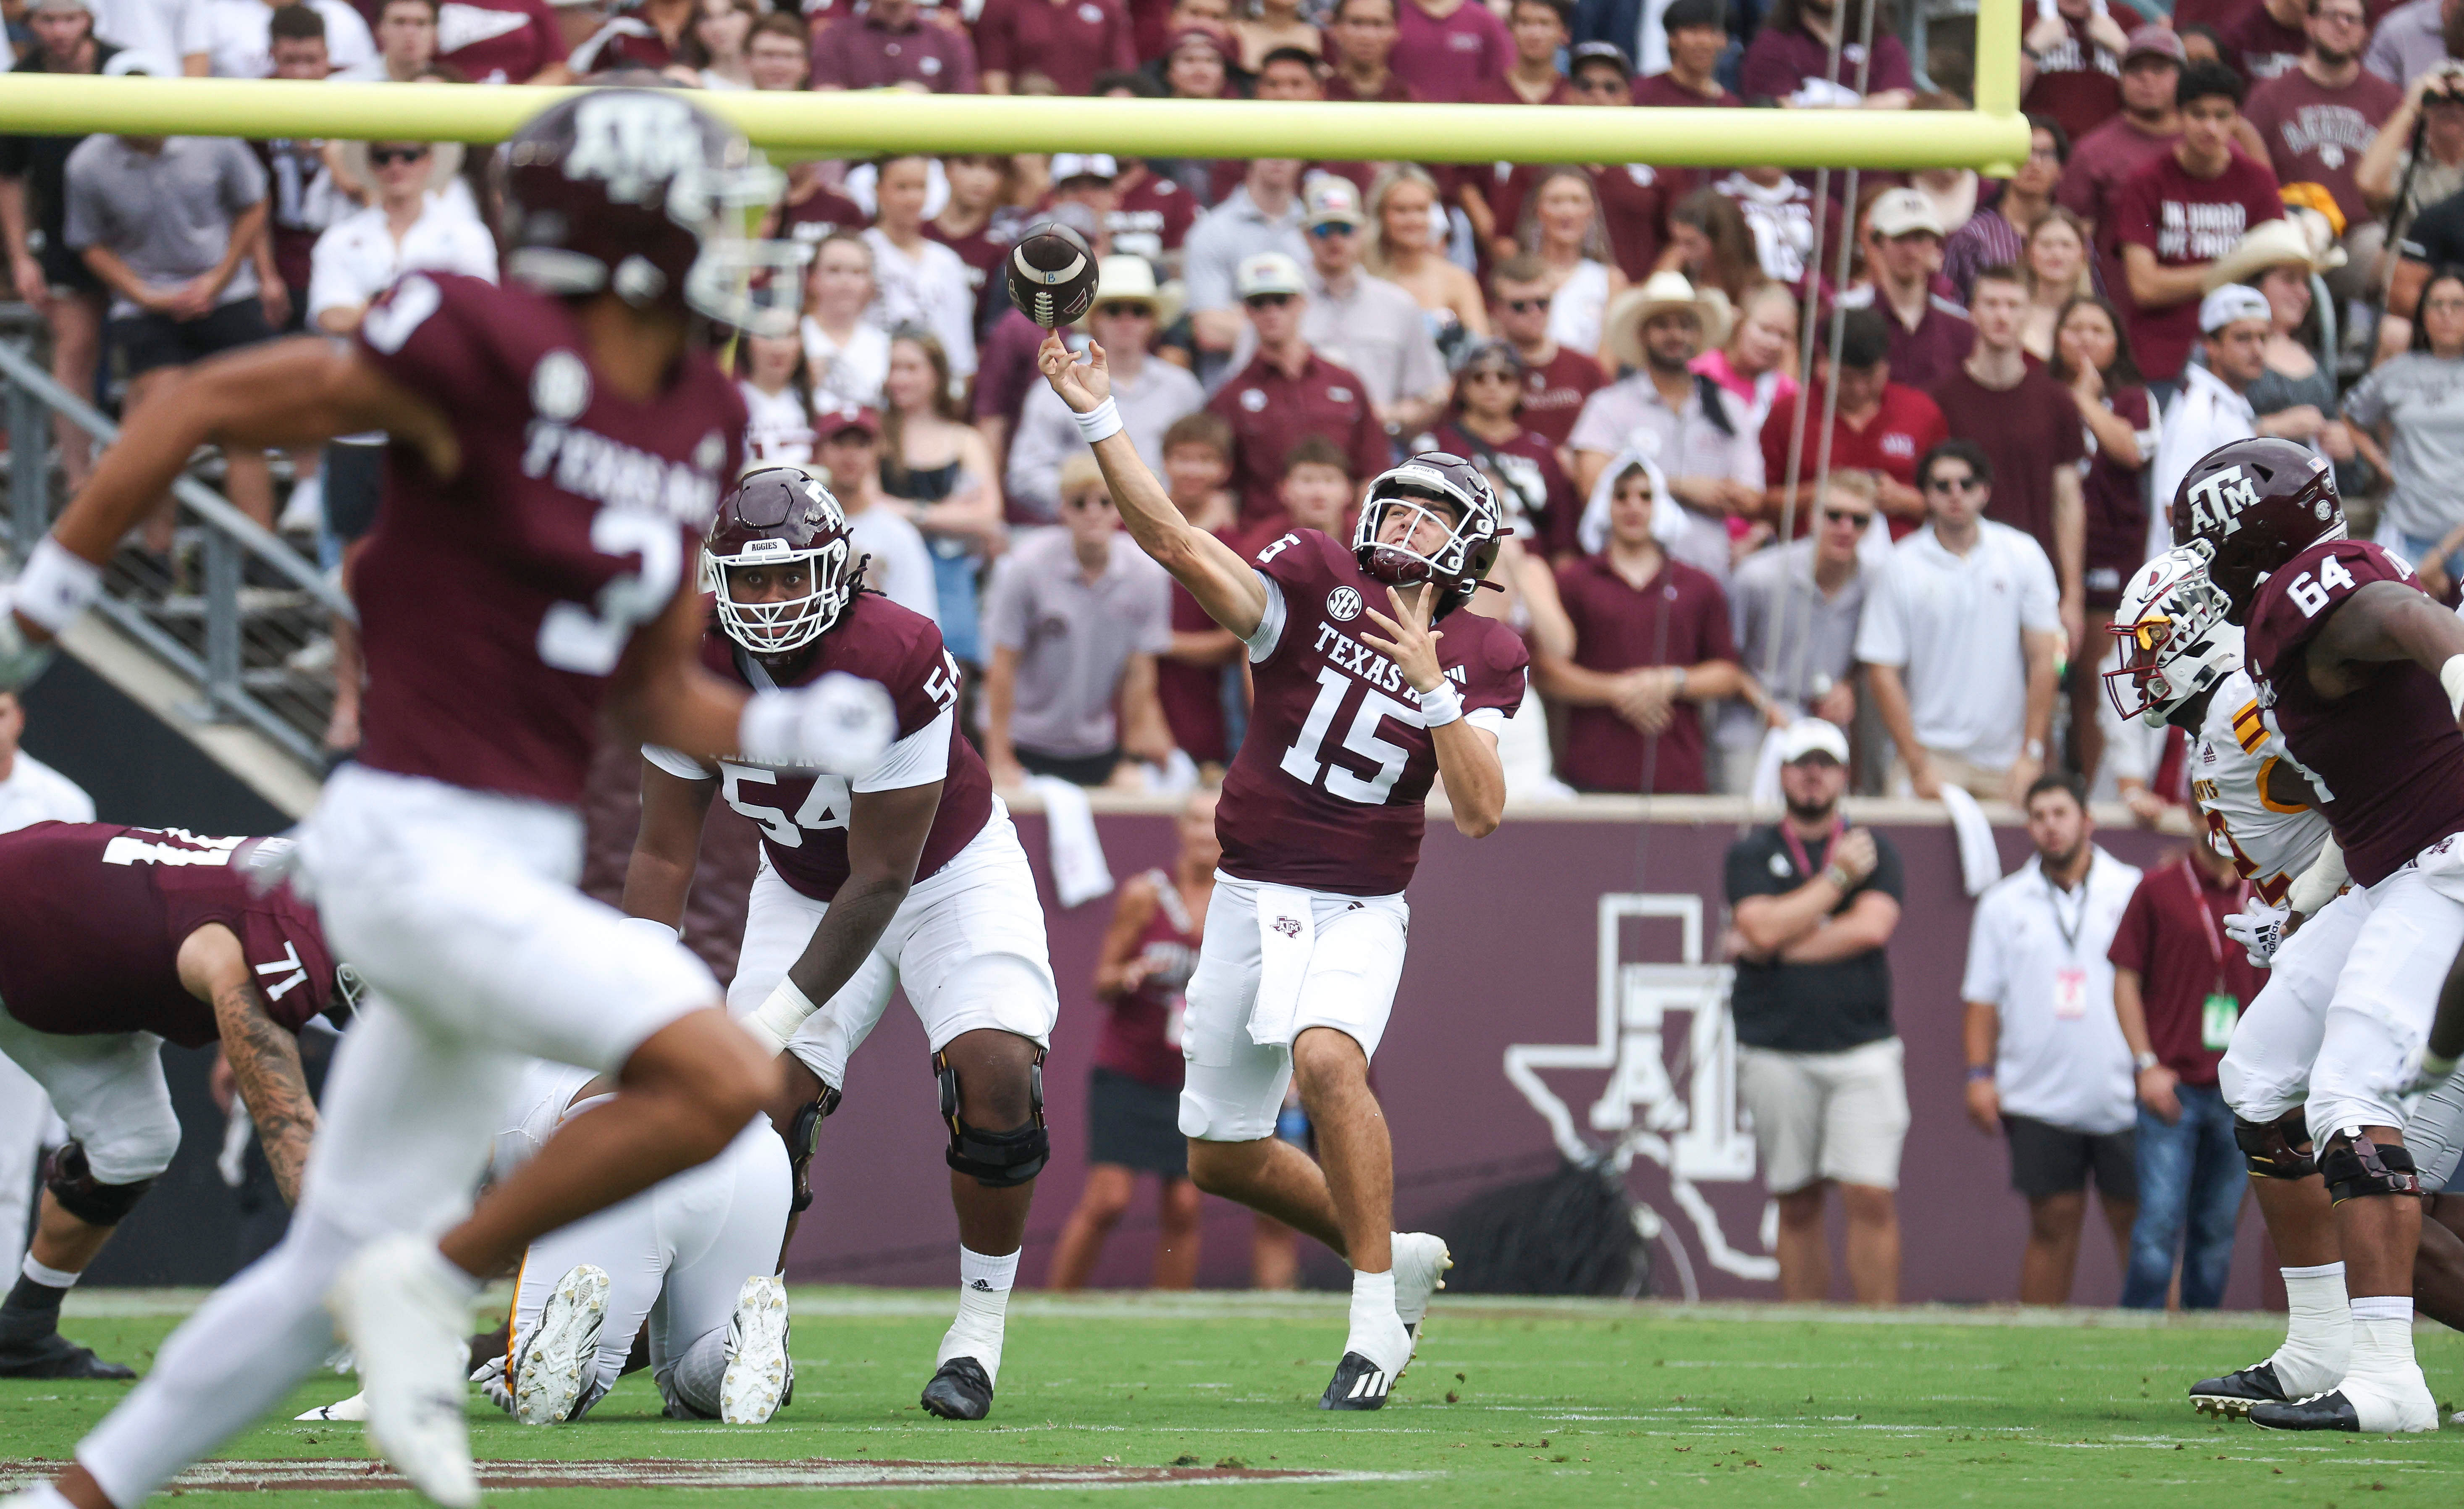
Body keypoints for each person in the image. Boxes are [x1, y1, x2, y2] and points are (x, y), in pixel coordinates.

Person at [0, 91, 902, 1509]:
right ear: (616, 222)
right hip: (409, 845)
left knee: (314, 1282)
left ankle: (68, 1499)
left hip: (510, 865)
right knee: (727, 1073)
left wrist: (789, 718)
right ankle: (436, 1282)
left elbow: (658, 693)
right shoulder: (476, 338)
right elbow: (195, 401)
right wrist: (39, 609)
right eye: (699, 204)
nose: (729, 236)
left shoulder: (700, 406)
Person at [1038, 328, 1520, 1407]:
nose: (1401, 523)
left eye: (1429, 517)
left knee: (1325, 1060)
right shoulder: (1311, 576)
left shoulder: (1488, 651)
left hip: (1358, 904)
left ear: (1469, 551)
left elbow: (1482, 813)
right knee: (1218, 1154)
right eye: (1395, 505)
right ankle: (1389, 1247)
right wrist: (1096, 415)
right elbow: (1171, 541)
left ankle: (1371, 1323)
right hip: (1251, 896)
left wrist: (1435, 687)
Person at [619, 463, 1052, 1423]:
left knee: (996, 1072)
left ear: (841, 572)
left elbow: (885, 879)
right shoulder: (684, 656)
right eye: (751, 581)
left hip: (946, 874)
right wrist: (636, 1007)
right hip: (807, 883)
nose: (770, 603)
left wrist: (766, 1020)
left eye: (790, 578)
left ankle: (975, 1335)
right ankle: (735, 1332)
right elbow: (660, 856)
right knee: (758, 1101)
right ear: (715, 581)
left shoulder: (897, 649)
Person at [2167, 433, 2464, 1431]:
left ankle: (2389, 1382)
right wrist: (2307, 898)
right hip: (2394, 867)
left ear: (2246, 535)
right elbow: (2361, 788)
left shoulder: (2314, 588)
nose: (2194, 565)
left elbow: (2406, 616)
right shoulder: (2280, 616)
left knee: (2351, 1090)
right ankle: (2324, 1347)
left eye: (2200, 540)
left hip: (2449, 861)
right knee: (2257, 1073)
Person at [0, 826, 346, 1381]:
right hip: (22, 917)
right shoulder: (258, 945)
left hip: (78, 971)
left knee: (134, 1142)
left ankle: (22, 1330)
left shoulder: (312, 888)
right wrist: (385, 1292)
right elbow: (293, 1140)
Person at [306, 136, 494, 756]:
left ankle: (430, 699)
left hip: (430, 427)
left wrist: (379, 313)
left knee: (443, 570)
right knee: (356, 571)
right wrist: (420, 315)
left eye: (409, 155)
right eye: (385, 155)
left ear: (427, 163)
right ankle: (349, 699)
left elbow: (478, 321)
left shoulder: (464, 233)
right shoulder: (344, 238)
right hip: (364, 430)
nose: (396, 166)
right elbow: (329, 316)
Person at [1725, 718, 1906, 1304]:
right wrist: (1835, 882)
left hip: (1861, 1048)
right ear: (1781, 773)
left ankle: (1877, 1331)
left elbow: (1869, 929)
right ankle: (1805, 1331)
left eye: (1823, 764)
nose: (1811, 775)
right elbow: (1756, 922)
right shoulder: (1751, 851)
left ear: (1842, 775)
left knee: (1869, 1194)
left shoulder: (1875, 849)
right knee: (1795, 1197)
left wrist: (1777, 940)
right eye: (1801, 762)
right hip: (1774, 1048)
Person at [1961, 774, 2143, 1307]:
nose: (2050, 826)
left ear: (2087, 820)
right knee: (2050, 1222)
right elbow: (1980, 998)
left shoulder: (2132, 888)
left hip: (2122, 1089)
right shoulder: (2002, 902)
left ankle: (2160, 1341)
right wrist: (1978, 1074)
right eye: (2038, 816)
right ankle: (2040, 1346)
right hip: (2037, 1091)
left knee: (2138, 1223)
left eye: (2060, 813)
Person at [63, 115, 279, 533]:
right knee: (154, 430)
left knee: (246, 431)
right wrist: (142, 293)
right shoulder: (87, 164)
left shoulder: (215, 137)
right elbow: (88, 242)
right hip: (148, 307)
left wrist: (219, 279)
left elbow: (253, 203)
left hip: (226, 295)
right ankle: (157, 562)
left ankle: (261, 556)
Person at [1046, 789, 1220, 1291]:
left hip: (1192, 1076)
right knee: (1109, 1198)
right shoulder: (1145, 893)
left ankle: (1170, 1319)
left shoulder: (1238, 901)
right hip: (1128, 1068)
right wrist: (1131, 973)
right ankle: (1053, 1307)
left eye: (1214, 822)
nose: (1203, 833)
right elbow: (1100, 978)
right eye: (1194, 820)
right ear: (1179, 828)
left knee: (1186, 1203)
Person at [2108, 829, 2264, 1312]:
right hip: (2172, 1087)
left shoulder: (2264, 892)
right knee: (2157, 1223)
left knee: (2216, 1230)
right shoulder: (2157, 888)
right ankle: (2135, 1337)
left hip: (2239, 1091)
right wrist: (2144, 1063)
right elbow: (2124, 979)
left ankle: (2200, 1337)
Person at [1858, 441, 2061, 803]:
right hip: (1930, 756)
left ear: (1984, 492)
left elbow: (2047, 656)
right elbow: (1881, 670)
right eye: (1942, 485)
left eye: (1966, 484)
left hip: (2008, 762)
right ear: (1925, 495)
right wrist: (1917, 764)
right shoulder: (1900, 565)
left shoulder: (2022, 553)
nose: (1955, 494)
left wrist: (2031, 753)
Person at [1536, 459, 1742, 794]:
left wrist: (1669, 681)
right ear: (1606, 504)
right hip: (1592, 772)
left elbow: (1727, 674)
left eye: (1646, 496)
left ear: (1661, 505)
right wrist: (1616, 690)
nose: (1633, 506)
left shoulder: (1698, 585)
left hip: (1678, 773)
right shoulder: (1573, 582)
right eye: (1621, 496)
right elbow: (1545, 671)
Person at [981, 456, 1178, 790]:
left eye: (1104, 501)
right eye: (1079, 502)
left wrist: (1131, 759)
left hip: (1097, 746)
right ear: (1062, 509)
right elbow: (1002, 666)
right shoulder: (1024, 566)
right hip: (1025, 742)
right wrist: (999, 757)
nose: (1093, 512)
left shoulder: (1147, 575)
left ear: (1119, 509)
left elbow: (1139, 675)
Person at [1930, 265, 2086, 654]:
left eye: (2013, 305)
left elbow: (2067, 501)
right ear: (1973, 312)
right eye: (1991, 304)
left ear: (2028, 314)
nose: (2002, 315)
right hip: (1958, 577)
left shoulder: (2056, 401)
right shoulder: (1941, 398)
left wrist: (2072, 596)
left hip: (2035, 580)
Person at [1567, 273, 1761, 582]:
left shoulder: (1730, 408)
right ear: (1642, 335)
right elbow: (1592, 486)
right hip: (1626, 580)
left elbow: (1750, 498)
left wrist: (1640, 484)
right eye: (1662, 325)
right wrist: (1683, 487)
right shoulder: (1608, 405)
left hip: (1708, 575)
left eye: (1685, 325)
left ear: (1698, 336)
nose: (1675, 335)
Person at [0, 0, 118, 496]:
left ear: (89, 19)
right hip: (66, 239)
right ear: (31, 24)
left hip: (136, 239)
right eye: (47, 20)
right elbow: (8, 178)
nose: (59, 32)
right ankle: (79, 482)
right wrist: (22, 258)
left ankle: (134, 473)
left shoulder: (124, 68)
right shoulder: (20, 79)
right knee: (73, 349)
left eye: (70, 18)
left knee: (150, 357)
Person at [2112, 60, 2286, 391]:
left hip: (2246, 352)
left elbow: (2274, 270)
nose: (2210, 128)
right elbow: (2144, 286)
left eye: (2221, 116)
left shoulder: (2257, 182)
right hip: (2162, 354)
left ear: (2237, 119)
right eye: (2198, 114)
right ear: (2178, 116)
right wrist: (2234, 267)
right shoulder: (2146, 183)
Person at [0, 691, 92, 1307]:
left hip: (21, 1007)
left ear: (20, 716)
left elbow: (81, 911)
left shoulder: (61, 801)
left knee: (6, 1171)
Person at [1008, 258, 1204, 520]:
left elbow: (1204, 462)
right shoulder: (1057, 387)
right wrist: (1091, 503)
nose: (1126, 320)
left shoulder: (1183, 388)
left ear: (1154, 321)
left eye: (1139, 311)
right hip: (1083, 534)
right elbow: (1025, 473)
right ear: (1093, 320)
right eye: (1113, 310)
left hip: (1171, 524)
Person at [1204, 251, 1391, 523]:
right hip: (1264, 544)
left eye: (1281, 300)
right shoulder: (1229, 398)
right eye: (1259, 302)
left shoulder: (1345, 383)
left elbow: (1371, 472)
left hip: (1343, 539)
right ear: (1246, 310)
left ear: (1302, 303)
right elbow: (1222, 490)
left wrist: (1365, 541)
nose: (1271, 311)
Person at [2050, 293, 2152, 786]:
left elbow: (2130, 450)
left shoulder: (2133, 397)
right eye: (2074, 329)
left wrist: (2084, 398)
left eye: (2098, 330)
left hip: (2111, 558)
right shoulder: (2040, 391)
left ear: (2117, 342)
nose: (2085, 339)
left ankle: (2086, 788)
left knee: (2094, 676)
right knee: (2050, 674)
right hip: (2044, 553)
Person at [1719, 473, 1871, 789]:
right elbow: (1724, 661)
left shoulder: (1873, 584)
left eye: (1858, 520)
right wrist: (1766, 706)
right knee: (1741, 823)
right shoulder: (1758, 577)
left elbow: (1868, 659)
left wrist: (1847, 686)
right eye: (1834, 516)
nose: (1845, 528)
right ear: (1812, 517)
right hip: (1753, 723)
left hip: (1825, 730)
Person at [2244, 0, 2400, 288]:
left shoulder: (2388, 100)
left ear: (2365, 32)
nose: (2342, 26)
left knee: (2391, 254)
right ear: (2309, 23)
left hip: (2361, 236)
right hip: (2294, 232)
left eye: (2352, 20)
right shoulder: (2269, 96)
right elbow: (2249, 176)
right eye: (2332, 16)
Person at [1284, 176, 1450, 438]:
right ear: (1306, 235)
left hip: (1377, 443)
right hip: (1299, 446)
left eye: (1345, 229)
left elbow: (1432, 395)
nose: (1335, 240)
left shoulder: (1397, 304)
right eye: (1323, 230)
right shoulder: (1280, 303)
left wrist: (1387, 416)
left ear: (1361, 232)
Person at [1758, 307, 1948, 535]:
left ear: (1886, 366)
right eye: (1846, 378)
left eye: (1869, 377)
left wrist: (1906, 501)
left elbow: (1958, 496)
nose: (1859, 389)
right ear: (1822, 363)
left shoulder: (1921, 412)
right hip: (1813, 554)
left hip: (1904, 555)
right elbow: (1761, 502)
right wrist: (1820, 494)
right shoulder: (1790, 415)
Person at [878, 328, 1004, 665]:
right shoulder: (876, 437)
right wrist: (950, 515)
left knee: (951, 676)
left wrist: (910, 511)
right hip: (885, 571)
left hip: (949, 575)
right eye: (893, 368)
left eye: (911, 368)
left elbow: (988, 517)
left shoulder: (964, 440)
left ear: (936, 373)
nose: (899, 378)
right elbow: (866, 506)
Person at [2342, 267, 2464, 596]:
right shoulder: (2398, 370)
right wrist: (2381, 463)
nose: (2446, 314)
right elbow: (2350, 415)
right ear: (2422, 313)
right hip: (2406, 527)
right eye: (2436, 304)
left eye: (2457, 304)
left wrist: (2440, 555)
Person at [2056, 26, 2183, 307]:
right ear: (2121, 77)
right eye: (2135, 70)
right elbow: (2072, 240)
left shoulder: (2206, 142)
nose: (2146, 78)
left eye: (2159, 69)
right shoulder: (2092, 151)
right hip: (2120, 310)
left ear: (2182, 77)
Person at [1420, 340, 1577, 558]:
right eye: (1479, 378)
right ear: (1462, 386)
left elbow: (1563, 540)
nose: (1492, 386)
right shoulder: (1435, 447)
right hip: (1455, 570)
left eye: (1504, 378)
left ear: (1521, 387)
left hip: (1531, 570)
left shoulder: (1542, 451)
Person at [2150, 285, 2272, 548]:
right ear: (2210, 346)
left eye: (2263, 338)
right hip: (2190, 582)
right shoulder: (2199, 410)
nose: (2258, 350)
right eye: (2243, 338)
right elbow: (2175, 509)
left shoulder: (2228, 403)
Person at [1839, 188, 1974, 391]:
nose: (1911, 251)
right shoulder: (1845, 315)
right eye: (1900, 238)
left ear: (1936, 245)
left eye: (1920, 238)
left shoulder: (1961, 326)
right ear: (1877, 243)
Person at [813, 406, 940, 621]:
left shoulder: (900, 535)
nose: (850, 455)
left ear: (877, 452)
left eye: (861, 444)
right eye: (839, 443)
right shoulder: (801, 530)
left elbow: (919, 623)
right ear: (818, 452)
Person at [1183, 156, 1309, 363]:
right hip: (1235, 383)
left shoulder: (1317, 229)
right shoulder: (1213, 231)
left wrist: (1246, 319)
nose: (1278, 156)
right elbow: (1209, 330)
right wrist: (1292, 329)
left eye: (1290, 145)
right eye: (1267, 144)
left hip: (1308, 384)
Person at [866, 158, 978, 385]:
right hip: (876, 383)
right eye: (902, 187)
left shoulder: (947, 262)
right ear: (879, 190)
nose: (912, 199)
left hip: (937, 392)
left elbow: (960, 346)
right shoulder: (862, 252)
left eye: (920, 187)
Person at [1490, 253, 1606, 451]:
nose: (1534, 312)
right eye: (1520, 306)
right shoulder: (1482, 373)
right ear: (1497, 310)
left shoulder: (1585, 367)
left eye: (1542, 303)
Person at [1943, 119, 2066, 303]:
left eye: (2046, 154)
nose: (2035, 163)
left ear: (2061, 170)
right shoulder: (1975, 237)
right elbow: (1951, 306)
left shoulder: (2070, 238)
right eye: (2024, 153)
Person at [1364, 166, 1488, 345]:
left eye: (1421, 209)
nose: (1413, 220)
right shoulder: (1364, 275)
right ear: (1381, 215)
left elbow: (1480, 350)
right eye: (1401, 210)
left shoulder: (1457, 280)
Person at [1515, 165, 1625, 362]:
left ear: (1591, 211)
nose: (1567, 212)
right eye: (1555, 201)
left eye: (1577, 201)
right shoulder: (1517, 275)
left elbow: (1608, 362)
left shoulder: (1611, 279)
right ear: (1538, 210)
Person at [1739, 0, 1913, 109]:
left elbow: (1901, 101)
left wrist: (1815, 110)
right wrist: (1869, 108)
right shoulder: (1773, 44)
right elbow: (1777, 113)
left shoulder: (1880, 42)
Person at [2021, 0, 2143, 144]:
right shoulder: (2021, 16)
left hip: (2111, 152)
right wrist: (2031, 51)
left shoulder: (2128, 19)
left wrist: (2124, 49)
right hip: (2041, 154)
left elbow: (2155, 102)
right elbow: (1997, 101)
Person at [1692, 280, 1799, 438]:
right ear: (1740, 324)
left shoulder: (1789, 396)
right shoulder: (1703, 372)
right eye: (1765, 329)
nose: (1774, 343)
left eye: (1784, 336)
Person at [802, 231, 892, 413]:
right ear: (812, 278)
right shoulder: (795, 340)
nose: (846, 282)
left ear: (871, 282)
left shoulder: (886, 346)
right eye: (834, 270)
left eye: (857, 272)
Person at [808, 0, 976, 91]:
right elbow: (826, 93)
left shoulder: (948, 39)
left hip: (926, 147)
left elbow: (966, 102)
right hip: (853, 145)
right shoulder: (835, 36)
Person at [975, 0, 1135, 95]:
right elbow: (993, 77)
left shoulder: (1109, 6)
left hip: (1093, 128)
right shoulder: (1002, 5)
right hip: (1030, 123)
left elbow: (1123, 79)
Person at [1391, 0, 1509, 102]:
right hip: (1399, 121)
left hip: (1468, 123)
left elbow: (1503, 80)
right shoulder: (1389, 16)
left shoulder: (1485, 21)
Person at [1629, 0, 1740, 106]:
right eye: (1693, 30)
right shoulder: (1638, 94)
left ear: (1726, 41)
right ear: (1671, 37)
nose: (1704, 42)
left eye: (1713, 32)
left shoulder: (1730, 106)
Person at [2019, 207, 2094, 359]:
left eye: (2066, 245)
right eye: (2046, 245)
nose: (2056, 254)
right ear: (2029, 254)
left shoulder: (2097, 320)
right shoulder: (2012, 313)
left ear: (2083, 255)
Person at [1468, 0, 1572, 105]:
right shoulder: (1482, 97)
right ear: (1510, 29)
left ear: (1564, 33)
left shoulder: (1575, 96)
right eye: (1525, 23)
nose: (1535, 34)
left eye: (1545, 24)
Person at [740, 331, 816, 468]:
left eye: (788, 335)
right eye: (767, 334)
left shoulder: (813, 401)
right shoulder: (730, 399)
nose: (778, 348)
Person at [334, 0, 435, 81]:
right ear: (380, 29)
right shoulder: (346, 85)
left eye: (421, 23)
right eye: (399, 22)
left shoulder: (449, 87)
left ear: (435, 32)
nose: (410, 32)